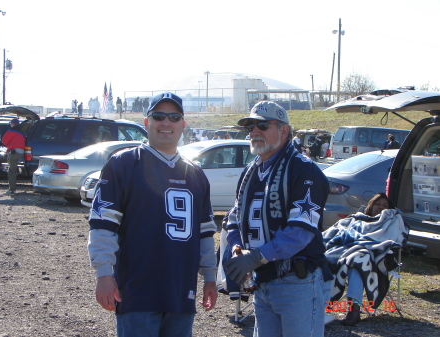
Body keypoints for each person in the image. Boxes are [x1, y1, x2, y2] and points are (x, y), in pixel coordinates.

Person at [88, 92, 217, 337]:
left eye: (174, 117)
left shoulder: (196, 174)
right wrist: (104, 273)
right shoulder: (123, 164)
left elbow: (205, 233)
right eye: (158, 116)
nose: (166, 123)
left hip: (181, 292)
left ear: (183, 125)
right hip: (137, 291)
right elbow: (103, 224)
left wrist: (209, 276)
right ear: (147, 122)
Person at [223, 101, 330, 337]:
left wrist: (256, 258)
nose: (253, 132)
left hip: (297, 283)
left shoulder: (304, 170)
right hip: (263, 283)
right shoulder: (251, 170)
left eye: (262, 125)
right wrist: (237, 248)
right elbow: (234, 217)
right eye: (249, 127)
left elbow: (301, 231)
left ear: (283, 130)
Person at [323, 193, 409, 326]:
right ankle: (351, 309)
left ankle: (353, 309)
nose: (381, 207)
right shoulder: (357, 219)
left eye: (384, 205)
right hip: (348, 252)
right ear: (371, 205)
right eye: (377, 204)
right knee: (352, 260)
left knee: (359, 259)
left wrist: (368, 245)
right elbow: (339, 232)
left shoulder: (391, 220)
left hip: (378, 255)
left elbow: (393, 238)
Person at [2, 119, 26, 196]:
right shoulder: (22, 132)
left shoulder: (11, 131)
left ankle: (12, 189)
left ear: (12, 124)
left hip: (14, 153)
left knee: (11, 171)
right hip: (23, 153)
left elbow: (4, 141)